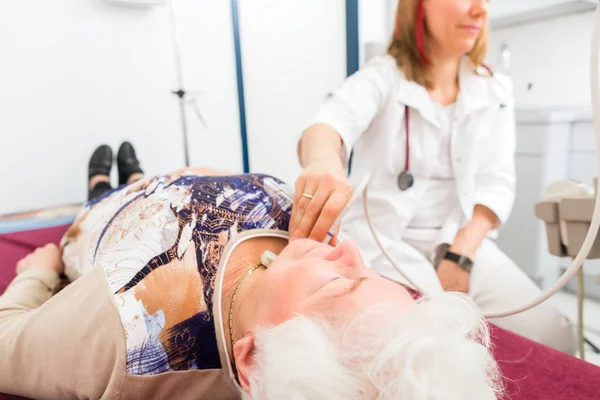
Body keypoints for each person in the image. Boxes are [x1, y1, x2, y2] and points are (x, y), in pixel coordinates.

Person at [0, 144, 502, 400]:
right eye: (368, 273)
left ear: (252, 358)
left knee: (106, 194)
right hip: (178, 183)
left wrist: (37, 275)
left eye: (337, 282)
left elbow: (6, 340)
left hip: (113, 217)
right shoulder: (309, 253)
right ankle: (136, 173)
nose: (347, 248)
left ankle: (103, 182)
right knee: (148, 176)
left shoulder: (135, 332)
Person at [291, 0, 575, 353]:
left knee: (553, 334)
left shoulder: (494, 90)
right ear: (418, 6)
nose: (480, 11)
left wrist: (461, 256)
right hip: (383, 246)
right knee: (427, 344)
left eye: (485, 0)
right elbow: (329, 125)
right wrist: (323, 160)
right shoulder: (383, 77)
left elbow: (496, 182)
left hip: (462, 240)